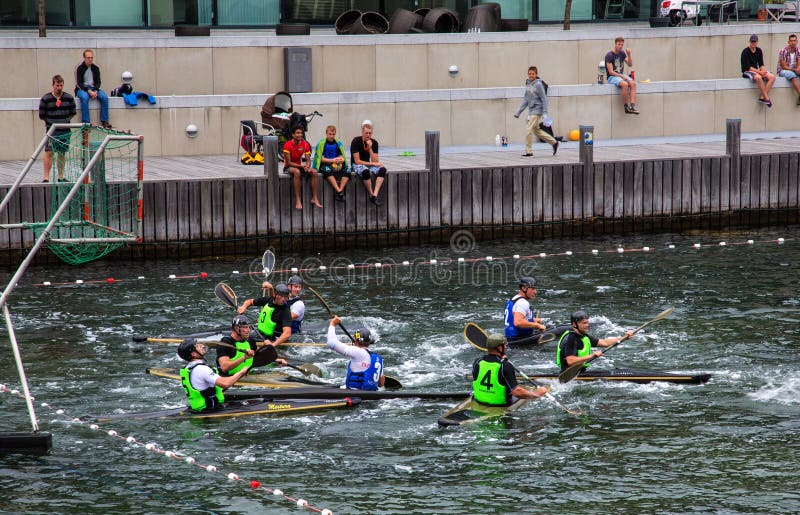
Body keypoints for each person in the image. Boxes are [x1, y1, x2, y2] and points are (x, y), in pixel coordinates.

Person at [472, 333, 548, 406]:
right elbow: (516, 392)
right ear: (499, 348)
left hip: (479, 401)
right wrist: (536, 394)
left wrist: (501, 360)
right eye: (505, 345)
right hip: (500, 405)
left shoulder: (477, 362)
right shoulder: (505, 366)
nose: (506, 347)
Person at [177, 339, 250, 412]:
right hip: (209, 410)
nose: (201, 346)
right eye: (197, 346)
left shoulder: (189, 368)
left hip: (199, 408)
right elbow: (225, 384)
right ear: (194, 354)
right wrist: (242, 372)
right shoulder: (201, 369)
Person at [555, 310, 634, 373]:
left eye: (587, 322)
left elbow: (605, 342)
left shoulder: (584, 336)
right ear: (574, 324)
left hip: (580, 372)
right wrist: (592, 355)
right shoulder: (571, 339)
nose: (587, 325)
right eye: (584, 323)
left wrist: (624, 337)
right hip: (568, 374)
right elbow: (570, 360)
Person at [326, 316, 385, 390]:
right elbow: (381, 383)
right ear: (369, 342)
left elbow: (331, 343)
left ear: (356, 340)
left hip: (354, 394)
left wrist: (333, 323)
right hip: (371, 394)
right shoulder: (378, 358)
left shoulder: (357, 352)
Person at [216, 314, 286, 376]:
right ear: (236, 328)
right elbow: (224, 367)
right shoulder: (226, 343)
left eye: (249, 327)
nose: (249, 330)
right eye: (245, 327)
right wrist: (243, 358)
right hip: (228, 377)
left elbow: (260, 356)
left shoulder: (250, 341)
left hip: (247, 374)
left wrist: (276, 360)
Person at [38, 74, 76, 183]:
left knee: (62, 153)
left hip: (65, 130)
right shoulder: (46, 98)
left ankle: (61, 176)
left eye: (61, 85)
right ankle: (46, 177)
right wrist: (51, 122)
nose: (59, 88)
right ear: (53, 85)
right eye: (57, 85)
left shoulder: (69, 98)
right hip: (51, 130)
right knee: (49, 152)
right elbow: (41, 115)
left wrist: (64, 121)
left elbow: (73, 113)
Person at [514, 66, 558, 157]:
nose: (531, 75)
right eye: (529, 74)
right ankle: (554, 142)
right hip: (531, 110)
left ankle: (529, 152)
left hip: (537, 110)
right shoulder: (528, 84)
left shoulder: (538, 84)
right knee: (536, 131)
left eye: (533, 74)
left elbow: (544, 99)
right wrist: (518, 112)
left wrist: (545, 113)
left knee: (528, 129)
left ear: (536, 74)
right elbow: (526, 99)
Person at [237, 282, 293, 347]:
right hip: (260, 334)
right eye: (281, 296)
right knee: (237, 333)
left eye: (285, 296)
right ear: (275, 295)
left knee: (239, 337)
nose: (283, 299)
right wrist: (244, 307)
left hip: (273, 339)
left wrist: (272, 345)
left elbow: (287, 333)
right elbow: (250, 301)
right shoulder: (267, 300)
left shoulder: (285, 311)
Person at [283, 127, 322, 210]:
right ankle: (298, 199)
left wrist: (307, 166)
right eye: (297, 133)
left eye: (301, 133)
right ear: (293, 135)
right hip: (288, 167)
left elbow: (308, 160)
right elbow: (288, 162)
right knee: (297, 172)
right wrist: (301, 166)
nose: (300, 135)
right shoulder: (287, 145)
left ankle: (314, 198)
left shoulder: (305, 144)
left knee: (314, 172)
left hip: (299, 166)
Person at [350, 120, 387, 206]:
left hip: (368, 164)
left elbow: (375, 161)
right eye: (366, 133)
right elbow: (357, 161)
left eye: (370, 133)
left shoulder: (374, 142)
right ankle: (371, 194)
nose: (368, 135)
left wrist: (370, 148)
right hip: (357, 164)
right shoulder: (356, 141)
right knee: (365, 171)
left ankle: (375, 195)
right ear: (362, 132)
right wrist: (373, 164)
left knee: (382, 170)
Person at [74, 49, 111, 129]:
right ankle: (86, 123)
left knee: (104, 97)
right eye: (88, 58)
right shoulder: (79, 68)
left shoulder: (95, 68)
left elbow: (98, 82)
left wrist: (96, 91)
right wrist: (88, 90)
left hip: (94, 88)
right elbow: (79, 83)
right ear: (84, 58)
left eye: (91, 57)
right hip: (82, 89)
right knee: (84, 98)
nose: (90, 59)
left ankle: (104, 121)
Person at [503, 276, 547, 343]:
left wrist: (533, 320)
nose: (535, 292)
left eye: (535, 289)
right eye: (532, 288)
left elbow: (513, 318)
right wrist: (537, 325)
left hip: (509, 339)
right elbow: (518, 322)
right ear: (524, 288)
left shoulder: (513, 299)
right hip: (520, 341)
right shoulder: (523, 303)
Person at [313, 125, 350, 202]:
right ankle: (339, 191)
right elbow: (321, 159)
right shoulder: (322, 143)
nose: (332, 136)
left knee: (348, 170)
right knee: (326, 170)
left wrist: (341, 160)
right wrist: (333, 160)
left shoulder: (338, 143)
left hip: (335, 164)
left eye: (333, 134)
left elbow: (341, 156)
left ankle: (340, 191)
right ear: (326, 133)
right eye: (330, 134)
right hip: (326, 164)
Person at [605, 37, 639, 115]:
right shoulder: (609, 55)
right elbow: (611, 72)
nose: (620, 46)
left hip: (620, 75)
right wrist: (621, 76)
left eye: (622, 45)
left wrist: (629, 54)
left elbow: (630, 64)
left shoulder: (622, 53)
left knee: (633, 83)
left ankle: (632, 106)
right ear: (615, 44)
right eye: (619, 44)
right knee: (625, 84)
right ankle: (626, 107)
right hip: (612, 77)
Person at [741, 34, 776, 108]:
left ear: (757, 42)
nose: (753, 43)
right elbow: (748, 67)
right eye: (752, 41)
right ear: (750, 42)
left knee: (772, 77)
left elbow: (761, 64)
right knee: (758, 77)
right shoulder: (745, 52)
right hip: (747, 71)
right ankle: (766, 98)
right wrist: (760, 72)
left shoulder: (759, 50)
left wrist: (763, 72)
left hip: (757, 71)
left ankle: (762, 97)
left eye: (755, 42)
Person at [777, 34, 800, 106]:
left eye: (794, 41)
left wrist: (798, 69)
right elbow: (784, 66)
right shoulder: (783, 51)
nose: (793, 42)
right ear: (788, 42)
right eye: (791, 41)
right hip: (783, 70)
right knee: (792, 75)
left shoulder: (798, 50)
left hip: (794, 69)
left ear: (797, 41)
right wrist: (794, 70)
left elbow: (799, 63)